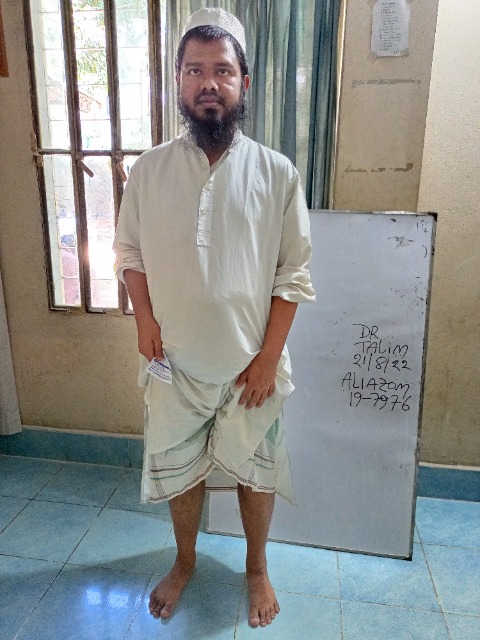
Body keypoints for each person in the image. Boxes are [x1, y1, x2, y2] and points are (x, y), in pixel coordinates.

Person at [113, 7, 315, 629]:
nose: (209, 83)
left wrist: (267, 359)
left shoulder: (276, 173)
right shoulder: (148, 171)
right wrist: (144, 323)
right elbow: (129, 254)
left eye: (222, 71)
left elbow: (293, 275)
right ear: (177, 81)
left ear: (243, 83)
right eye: (195, 70)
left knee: (255, 473)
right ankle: (184, 561)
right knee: (181, 473)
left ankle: (257, 568)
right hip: (173, 363)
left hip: (249, 365)